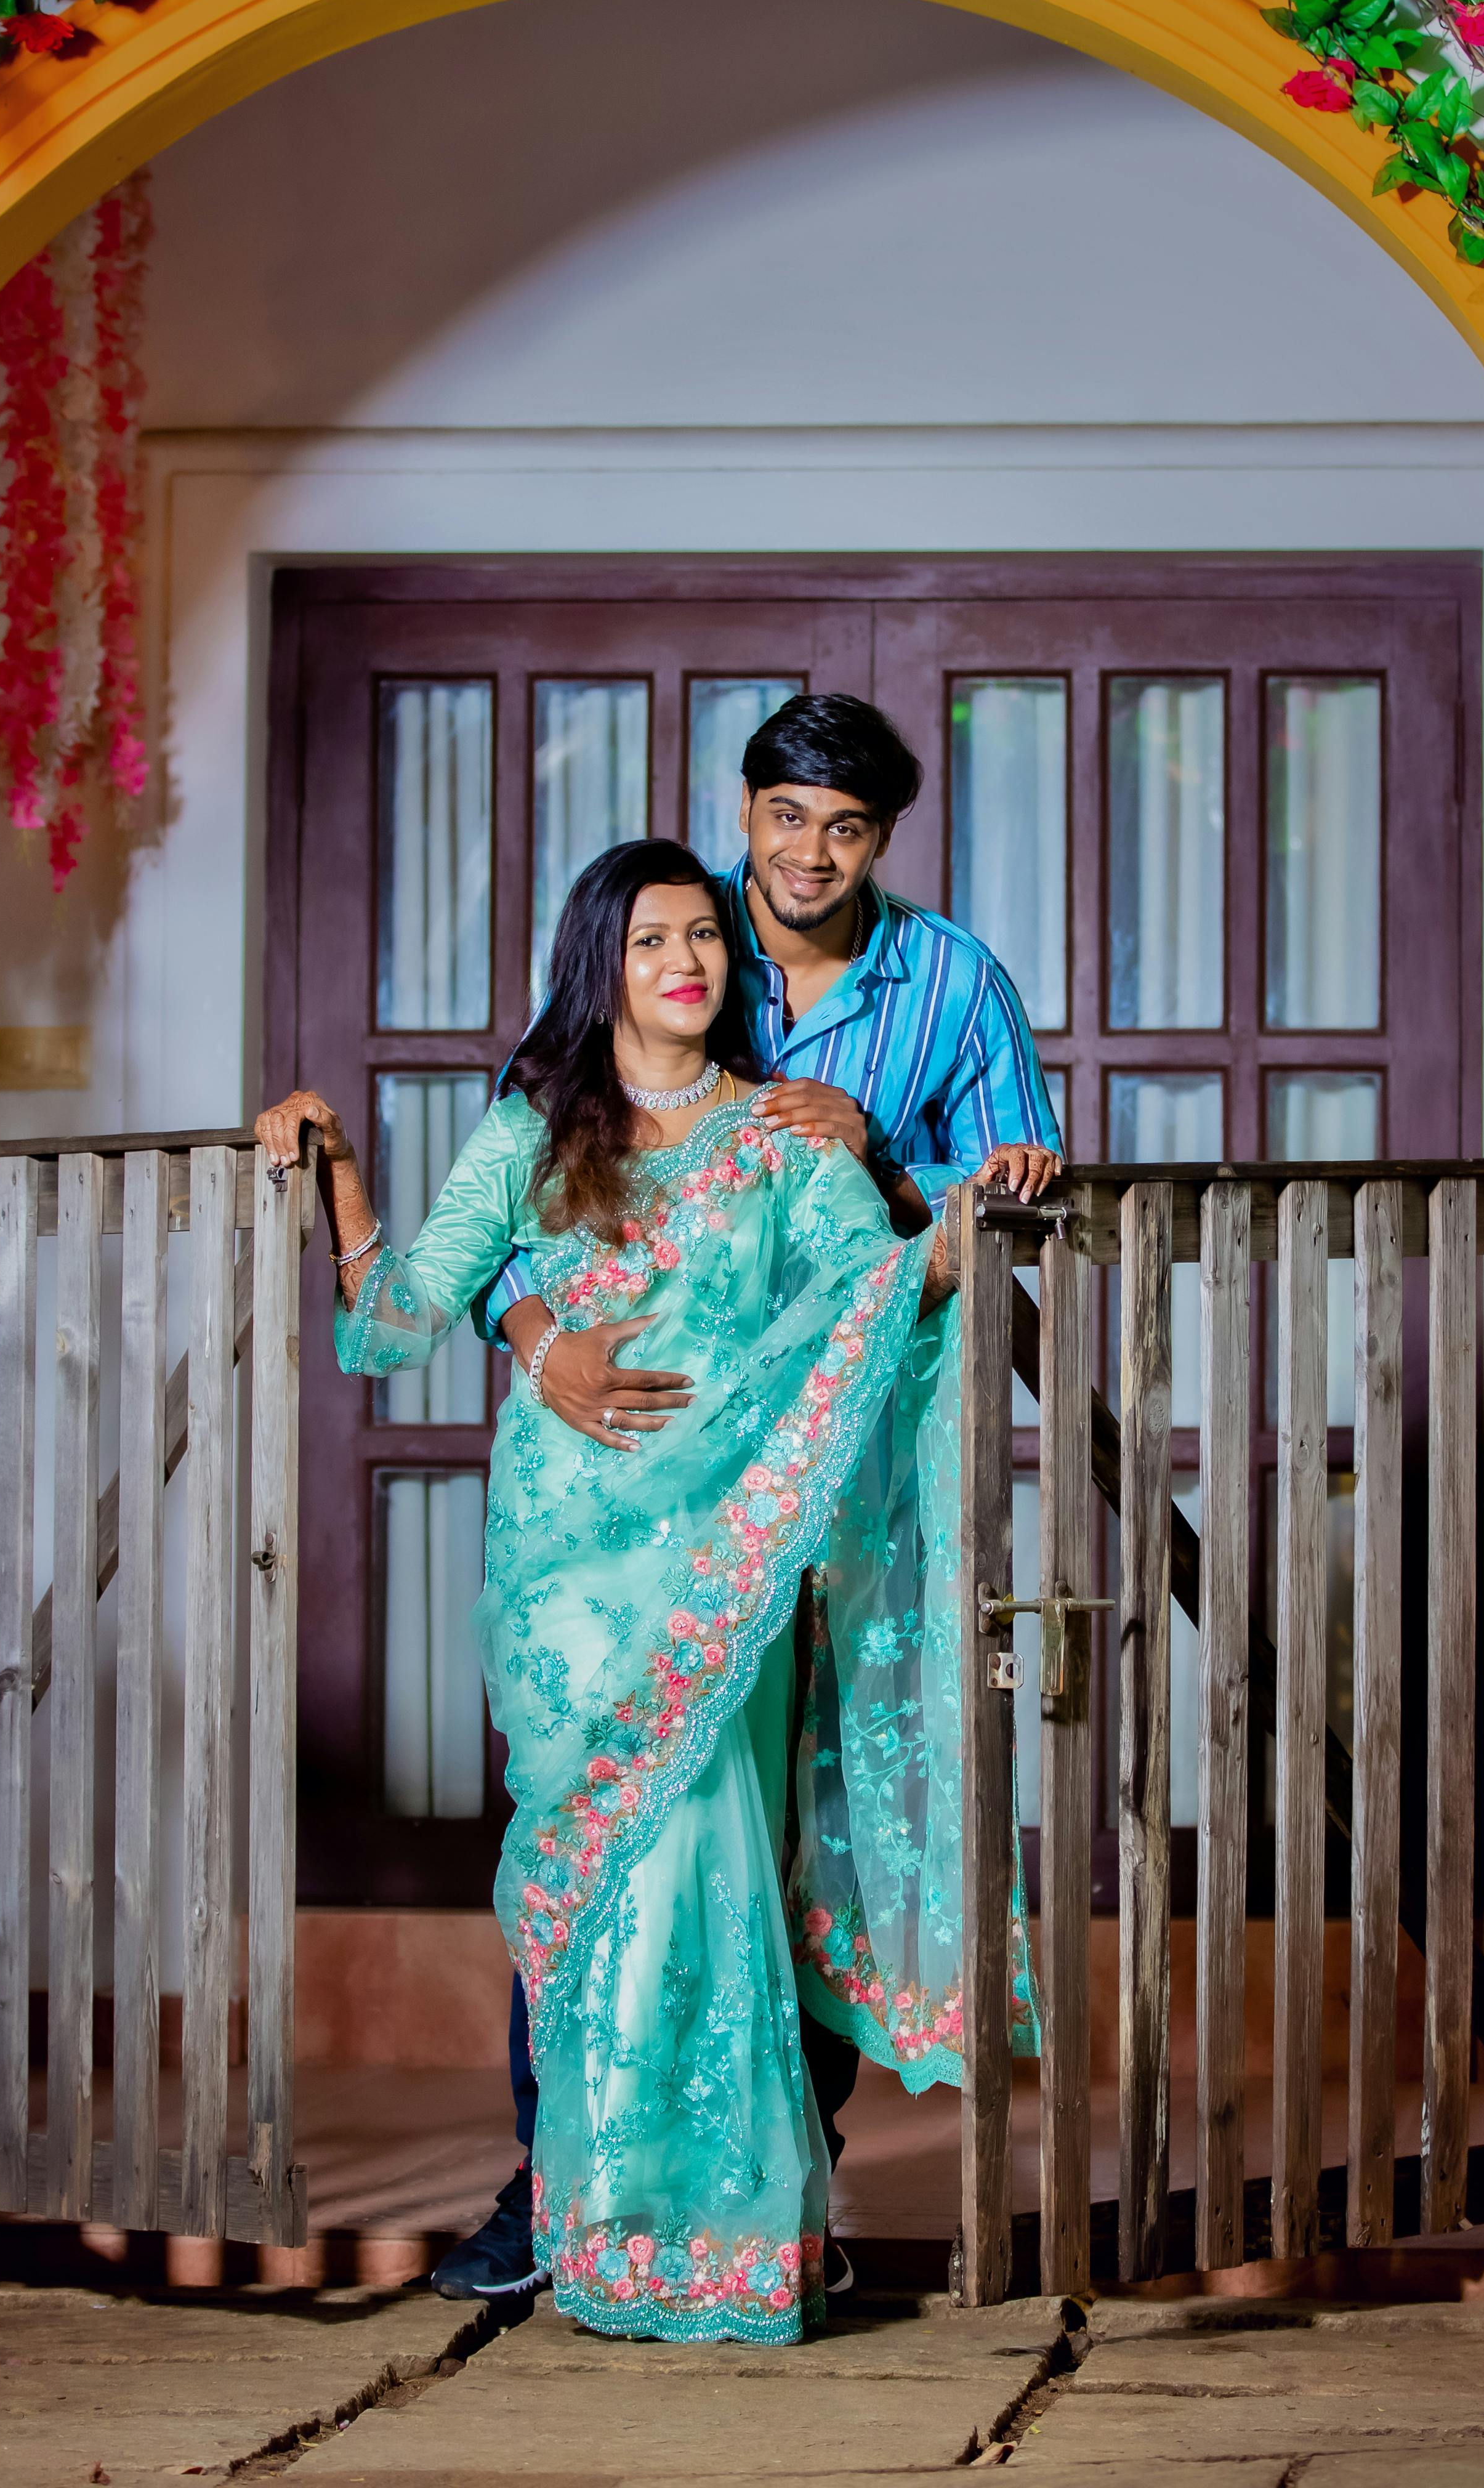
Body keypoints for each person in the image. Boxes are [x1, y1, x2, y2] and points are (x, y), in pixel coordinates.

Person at [254, 838, 986, 2343]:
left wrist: (969, 1219)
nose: (688, 959)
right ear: (600, 961)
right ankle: (585, 2216)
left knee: (713, 1871)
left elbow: (875, 1296)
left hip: (722, 1560)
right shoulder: (533, 1131)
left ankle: (721, 2233)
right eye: (654, 936)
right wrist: (343, 1175)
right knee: (591, 1878)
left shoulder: (788, 1135)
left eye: (706, 935)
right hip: (564, 1574)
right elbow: (391, 1322)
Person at [439, 693, 1064, 2303]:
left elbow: (1012, 1211)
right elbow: (517, 1189)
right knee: (604, 1806)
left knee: (783, 1835)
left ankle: (775, 2198)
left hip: (835, 1479)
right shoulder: (659, 926)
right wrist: (538, 1343)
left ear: (884, 838)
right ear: (748, 806)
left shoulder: (951, 989)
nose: (806, 852)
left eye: (843, 827)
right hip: (623, 1484)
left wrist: (880, 1159)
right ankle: (552, 2181)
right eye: (785, 816)